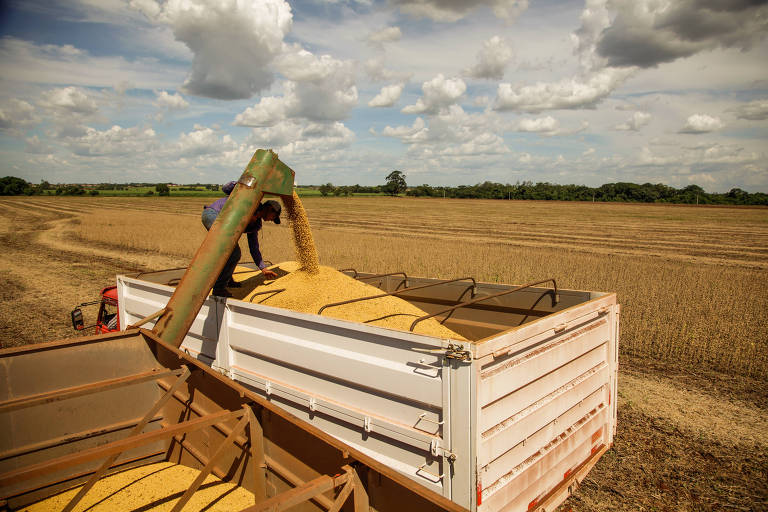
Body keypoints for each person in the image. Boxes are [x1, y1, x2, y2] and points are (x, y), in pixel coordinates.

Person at [202, 181, 281, 297]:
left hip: (224, 223)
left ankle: (227, 280)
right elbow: (226, 189)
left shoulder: (256, 224)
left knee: (229, 252)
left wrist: (263, 269)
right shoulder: (251, 201)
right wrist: (243, 184)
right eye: (273, 217)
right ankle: (219, 288)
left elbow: (254, 248)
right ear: (269, 208)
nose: (271, 220)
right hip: (214, 214)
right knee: (234, 253)